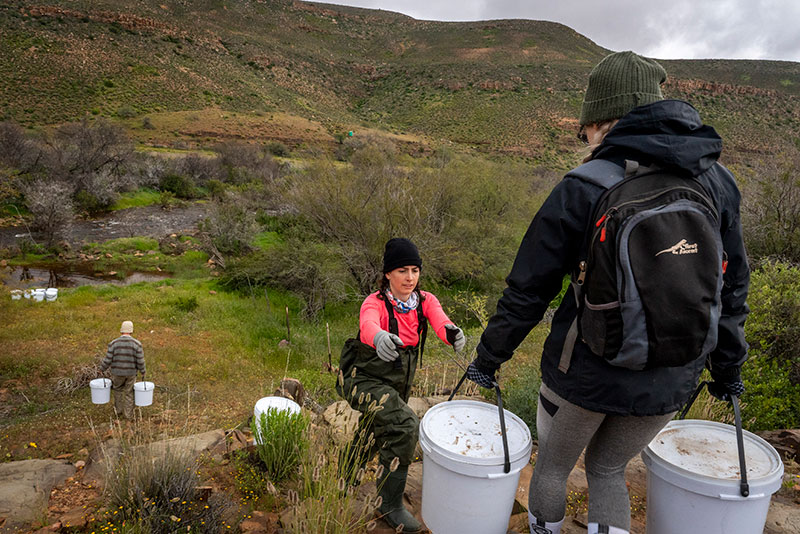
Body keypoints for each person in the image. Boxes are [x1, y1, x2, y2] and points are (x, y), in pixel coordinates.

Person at [465, 51, 749, 534]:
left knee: (554, 468)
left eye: (586, 129)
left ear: (604, 119)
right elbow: (732, 285)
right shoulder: (718, 181)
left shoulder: (585, 184)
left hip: (585, 370)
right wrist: (727, 369)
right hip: (673, 376)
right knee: (608, 468)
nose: (584, 140)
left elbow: (529, 287)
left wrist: (490, 357)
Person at [337, 237, 466, 533]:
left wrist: (451, 332)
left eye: (415, 270)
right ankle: (389, 504)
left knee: (376, 426)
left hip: (398, 380)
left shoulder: (424, 300)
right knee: (405, 425)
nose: (410, 278)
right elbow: (369, 324)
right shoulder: (375, 303)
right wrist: (379, 337)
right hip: (365, 379)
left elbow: (440, 320)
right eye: (402, 271)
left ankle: (346, 475)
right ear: (387, 274)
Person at [99, 320, 146, 420]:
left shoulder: (113, 343)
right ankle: (128, 415)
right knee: (129, 393)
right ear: (131, 331)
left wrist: (102, 369)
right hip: (131, 373)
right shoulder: (137, 344)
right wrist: (143, 371)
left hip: (117, 373)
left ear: (121, 330)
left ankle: (118, 412)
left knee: (117, 390)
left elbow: (108, 359)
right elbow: (140, 361)